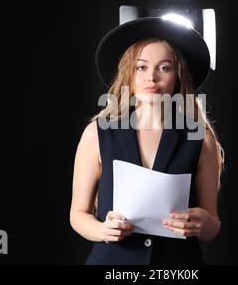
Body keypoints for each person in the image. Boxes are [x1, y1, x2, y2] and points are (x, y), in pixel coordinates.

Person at [70, 17, 225, 265]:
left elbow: (212, 224)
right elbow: (78, 214)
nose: (151, 78)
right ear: (128, 74)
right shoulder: (96, 133)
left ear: (178, 76)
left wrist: (203, 222)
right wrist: (102, 230)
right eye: (141, 67)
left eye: (164, 67)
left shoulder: (200, 137)